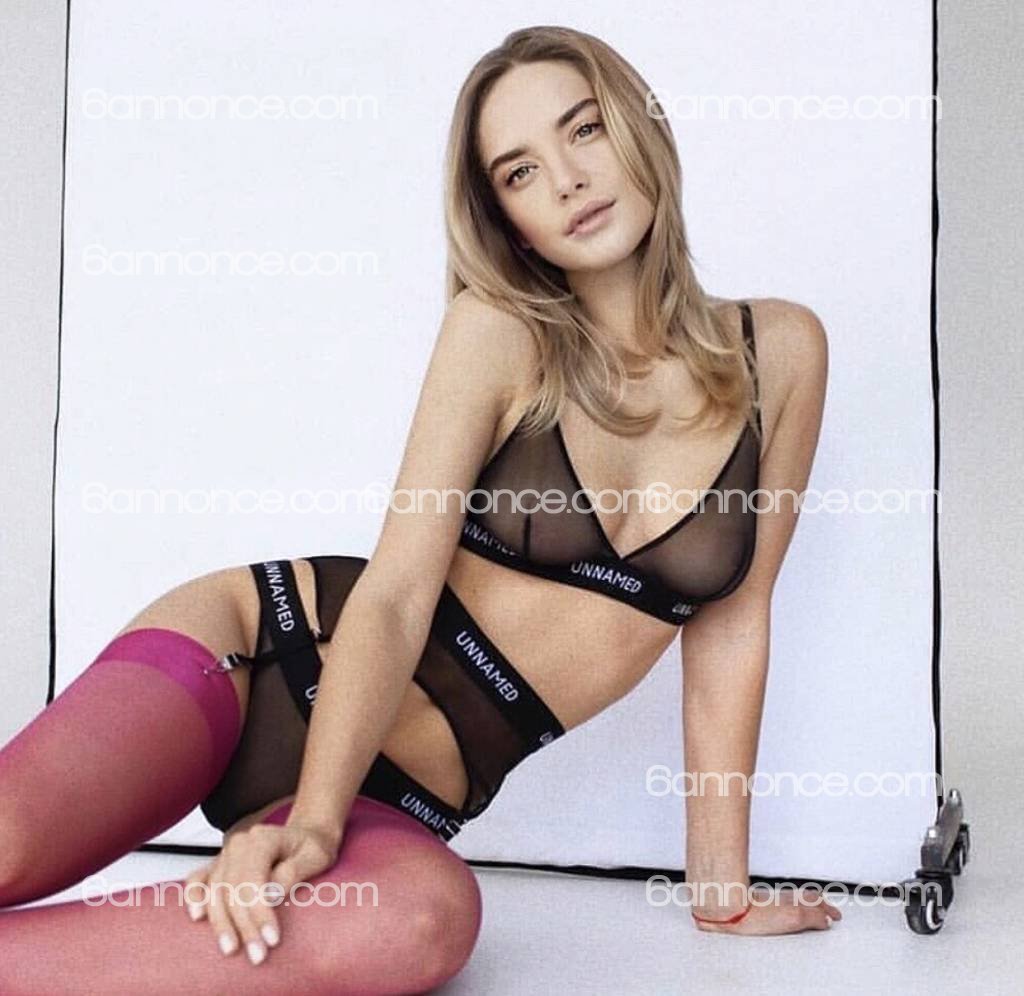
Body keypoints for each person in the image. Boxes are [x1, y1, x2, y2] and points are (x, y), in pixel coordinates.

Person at [0, 22, 837, 994]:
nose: (568, 180)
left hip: (402, 799)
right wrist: (313, 821)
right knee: (8, 840)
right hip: (262, 658)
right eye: (520, 171)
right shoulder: (500, 334)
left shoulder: (780, 353)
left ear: (639, 126)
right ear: (507, 220)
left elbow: (733, 620)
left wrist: (719, 888)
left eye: (584, 129)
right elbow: (398, 592)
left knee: (424, 923)